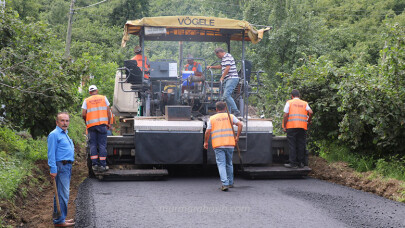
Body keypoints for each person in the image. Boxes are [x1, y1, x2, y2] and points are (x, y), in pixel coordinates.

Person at [204, 101, 243, 191]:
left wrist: (205, 142)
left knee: (221, 164)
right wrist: (237, 137)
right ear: (225, 108)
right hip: (230, 143)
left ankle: (225, 184)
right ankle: (230, 182)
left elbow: (207, 132)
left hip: (218, 144)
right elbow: (240, 124)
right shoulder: (231, 116)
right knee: (229, 163)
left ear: (216, 109)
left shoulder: (212, 118)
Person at [47, 112, 75, 227]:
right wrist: (53, 169)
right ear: (57, 122)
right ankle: (59, 221)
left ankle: (61, 219)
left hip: (67, 166)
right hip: (60, 166)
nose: (65, 123)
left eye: (67, 121)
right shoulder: (54, 134)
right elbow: (51, 153)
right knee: (63, 194)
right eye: (62, 121)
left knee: (61, 194)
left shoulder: (65, 134)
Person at [82, 85, 112, 172]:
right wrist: (108, 123)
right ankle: (103, 165)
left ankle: (94, 165)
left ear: (89, 92)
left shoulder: (86, 100)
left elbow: (83, 114)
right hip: (102, 125)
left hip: (91, 126)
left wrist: (87, 122)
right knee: (102, 145)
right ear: (97, 90)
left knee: (93, 145)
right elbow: (108, 112)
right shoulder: (103, 98)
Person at [282, 89, 313, 168]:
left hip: (291, 127)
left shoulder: (289, 102)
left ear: (292, 96)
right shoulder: (304, 103)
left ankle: (293, 163)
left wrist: (284, 126)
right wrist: (309, 121)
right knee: (301, 145)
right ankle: (301, 163)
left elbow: (285, 115)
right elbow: (311, 112)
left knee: (292, 145)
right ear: (299, 95)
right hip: (302, 127)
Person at [207, 48, 241, 117]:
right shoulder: (224, 59)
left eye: (218, 55)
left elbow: (227, 68)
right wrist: (211, 67)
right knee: (226, 97)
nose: (218, 57)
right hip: (227, 79)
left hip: (231, 78)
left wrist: (222, 77)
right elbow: (221, 66)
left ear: (219, 53)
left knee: (226, 95)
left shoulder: (228, 56)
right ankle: (228, 113)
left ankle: (236, 111)